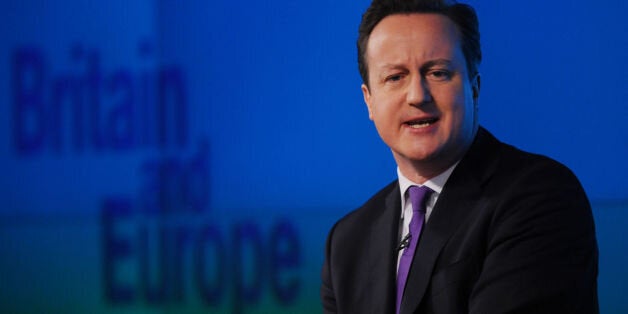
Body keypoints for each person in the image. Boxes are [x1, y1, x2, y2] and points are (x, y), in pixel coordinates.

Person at [320, 0, 599, 313]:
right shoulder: (347, 242)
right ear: (368, 100)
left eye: (438, 73)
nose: (417, 96)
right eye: (395, 77)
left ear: (474, 88)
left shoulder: (541, 198)